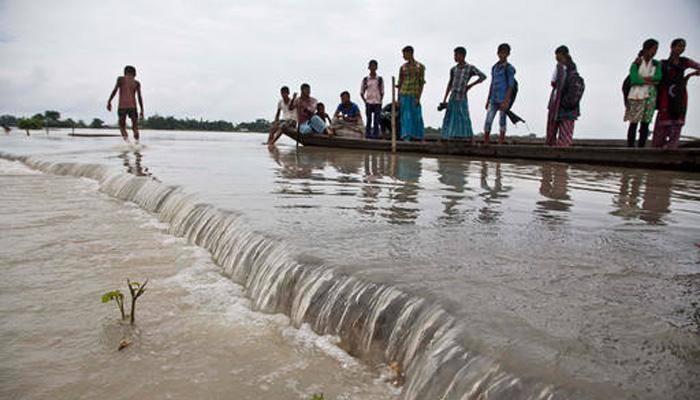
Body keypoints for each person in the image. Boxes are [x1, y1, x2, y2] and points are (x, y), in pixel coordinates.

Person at [652, 38, 700, 148]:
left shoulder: (685, 61)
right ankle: (656, 150)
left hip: (680, 95)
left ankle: (672, 149)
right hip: (666, 96)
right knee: (662, 122)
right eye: (679, 46)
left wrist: (692, 74)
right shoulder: (662, 63)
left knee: (677, 121)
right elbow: (650, 69)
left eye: (683, 46)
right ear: (672, 47)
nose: (681, 48)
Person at [439, 46, 486, 143]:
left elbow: (483, 76)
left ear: (463, 55)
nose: (455, 57)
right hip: (453, 96)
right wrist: (444, 99)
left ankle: (464, 136)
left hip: (462, 96)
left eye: (456, 55)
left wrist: (470, 86)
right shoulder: (453, 69)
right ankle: (449, 136)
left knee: (462, 116)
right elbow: (450, 84)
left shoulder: (469, 68)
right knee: (451, 116)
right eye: (454, 55)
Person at [624, 39, 661, 148]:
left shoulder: (656, 64)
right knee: (634, 122)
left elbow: (658, 78)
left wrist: (643, 79)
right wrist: (650, 81)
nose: (654, 52)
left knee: (645, 123)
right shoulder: (636, 63)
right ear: (645, 49)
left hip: (650, 95)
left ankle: (641, 147)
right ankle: (630, 146)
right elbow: (634, 79)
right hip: (636, 95)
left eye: (656, 49)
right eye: (652, 49)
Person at [546, 46, 580, 147]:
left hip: (563, 106)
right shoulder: (566, 68)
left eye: (558, 55)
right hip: (561, 106)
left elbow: (553, 82)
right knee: (563, 134)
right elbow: (554, 83)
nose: (556, 58)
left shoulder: (565, 69)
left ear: (563, 55)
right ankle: (560, 149)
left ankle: (560, 151)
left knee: (561, 134)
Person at [484, 43, 516, 144]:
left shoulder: (509, 68)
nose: (502, 55)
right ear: (498, 53)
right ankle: (486, 141)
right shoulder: (494, 68)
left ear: (508, 54)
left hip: (504, 98)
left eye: (505, 53)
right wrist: (488, 99)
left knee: (502, 121)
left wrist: (506, 101)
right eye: (501, 53)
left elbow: (511, 86)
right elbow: (492, 84)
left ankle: (501, 141)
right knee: (488, 120)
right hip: (493, 98)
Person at [107, 65, 144, 143]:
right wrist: (142, 110)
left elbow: (115, 91)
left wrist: (109, 101)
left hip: (122, 107)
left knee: (122, 127)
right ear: (134, 74)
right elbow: (139, 97)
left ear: (124, 73)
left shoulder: (121, 79)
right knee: (135, 127)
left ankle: (128, 144)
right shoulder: (136, 83)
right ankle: (137, 144)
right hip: (133, 107)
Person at [396, 46, 426, 141]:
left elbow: (421, 83)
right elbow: (400, 82)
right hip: (404, 94)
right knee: (405, 117)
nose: (403, 56)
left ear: (411, 53)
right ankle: (406, 136)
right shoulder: (403, 67)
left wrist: (419, 97)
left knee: (416, 116)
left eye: (405, 54)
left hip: (414, 94)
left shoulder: (420, 67)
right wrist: (398, 98)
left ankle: (417, 136)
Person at [360, 60, 384, 139]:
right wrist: (365, 101)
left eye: (374, 66)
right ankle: (368, 135)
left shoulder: (379, 79)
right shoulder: (366, 79)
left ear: (376, 67)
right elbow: (361, 92)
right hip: (369, 102)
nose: (373, 68)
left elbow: (382, 91)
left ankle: (375, 135)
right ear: (369, 67)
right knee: (369, 119)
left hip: (377, 102)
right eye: (371, 66)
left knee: (376, 120)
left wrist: (380, 100)